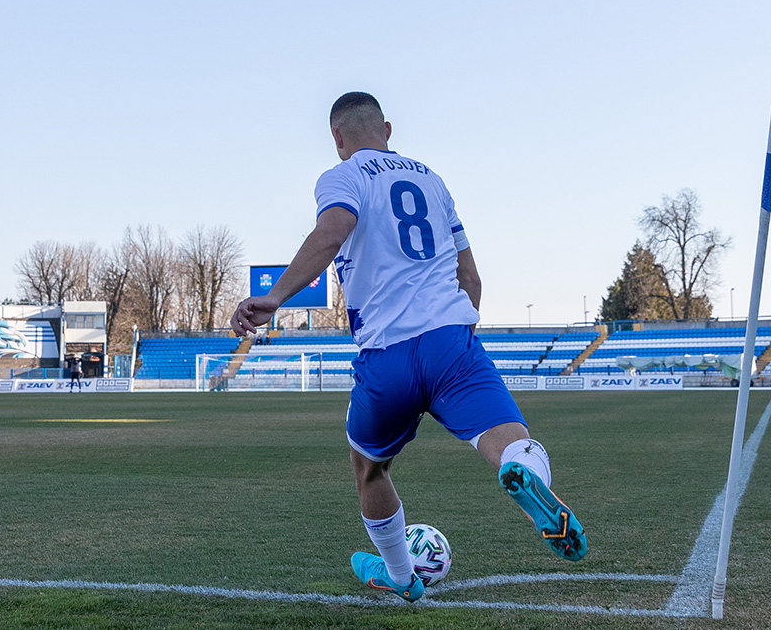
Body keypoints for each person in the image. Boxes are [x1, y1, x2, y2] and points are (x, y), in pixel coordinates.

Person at [229, 92, 587, 603]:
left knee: (369, 467)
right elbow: (470, 275)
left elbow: (332, 232)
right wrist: (461, 334)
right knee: (510, 439)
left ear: (337, 138)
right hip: (450, 341)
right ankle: (524, 474)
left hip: (386, 355)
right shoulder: (432, 181)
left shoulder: (344, 175)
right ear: (388, 130)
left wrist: (274, 297)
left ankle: (400, 576)